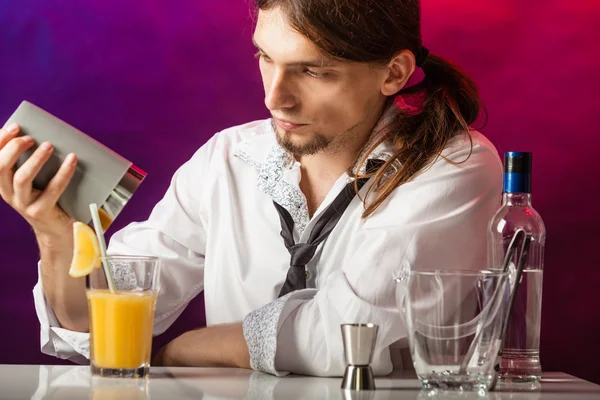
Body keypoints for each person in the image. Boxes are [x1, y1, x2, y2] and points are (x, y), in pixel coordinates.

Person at [0, 0, 502, 376]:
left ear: (394, 73)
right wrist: (54, 233)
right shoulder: (229, 157)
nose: (274, 97)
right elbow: (93, 326)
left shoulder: (453, 163)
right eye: (266, 57)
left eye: (313, 70)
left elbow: (346, 340)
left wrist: (182, 349)